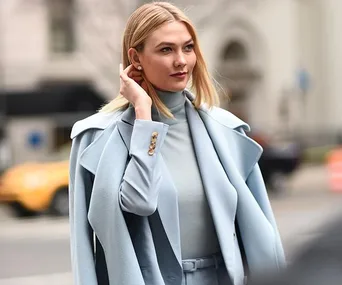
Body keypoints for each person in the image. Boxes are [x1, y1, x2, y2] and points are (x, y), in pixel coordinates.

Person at [68, 2, 286, 285]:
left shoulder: (226, 131)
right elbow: (138, 202)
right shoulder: (94, 139)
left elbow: (263, 232)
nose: (181, 60)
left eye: (188, 47)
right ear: (135, 57)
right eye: (166, 49)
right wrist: (144, 116)